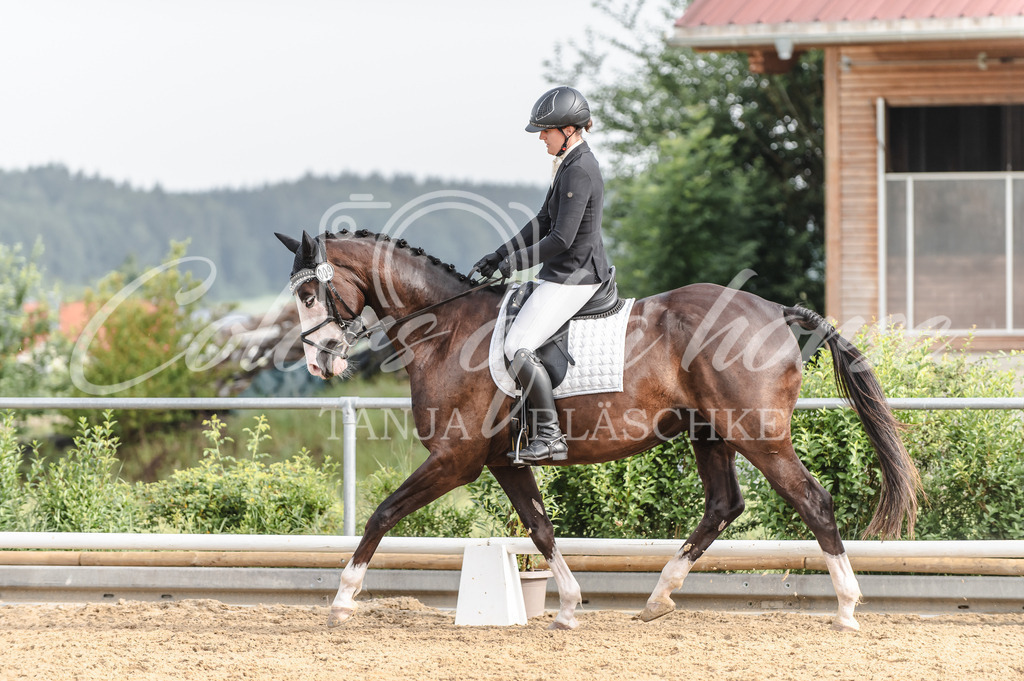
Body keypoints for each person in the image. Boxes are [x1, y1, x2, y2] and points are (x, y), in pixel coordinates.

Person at [471, 85, 613, 465]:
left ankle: (550, 436)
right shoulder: (568, 164)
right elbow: (543, 221)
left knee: (517, 346)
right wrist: (500, 254)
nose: (541, 138)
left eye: (545, 131)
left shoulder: (581, 168)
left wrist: (514, 265)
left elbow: (562, 239)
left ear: (568, 129)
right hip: (563, 271)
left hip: (577, 275)